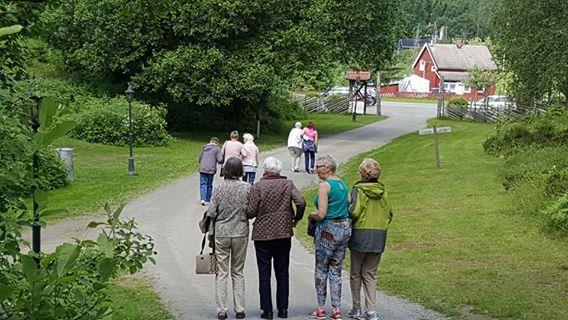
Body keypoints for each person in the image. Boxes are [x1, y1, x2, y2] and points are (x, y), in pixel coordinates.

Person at [247, 157, 306, 319]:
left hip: (262, 234)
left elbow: (251, 212)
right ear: (279, 170)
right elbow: (300, 202)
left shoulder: (258, 186)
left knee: (264, 273)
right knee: (282, 272)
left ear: (265, 170)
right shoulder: (287, 184)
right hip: (283, 232)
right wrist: (296, 218)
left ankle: (267, 310)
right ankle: (283, 309)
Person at [347, 158, 393, 320]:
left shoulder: (358, 189)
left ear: (363, 173)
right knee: (370, 273)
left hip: (361, 233)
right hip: (379, 234)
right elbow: (389, 212)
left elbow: (354, 211)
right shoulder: (383, 190)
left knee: (355, 273)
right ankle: (371, 310)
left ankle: (356, 307)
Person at [206, 157, 251, 320]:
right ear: (240, 171)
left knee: (222, 272)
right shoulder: (247, 187)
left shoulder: (219, 188)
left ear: (225, 170)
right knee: (238, 271)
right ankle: (240, 309)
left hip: (221, 233)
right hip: (240, 231)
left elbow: (211, 212)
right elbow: (250, 210)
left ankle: (222, 310)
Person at [307, 155, 351, 320]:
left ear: (328, 168)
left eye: (319, 166)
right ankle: (336, 309)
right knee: (336, 269)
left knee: (321, 268)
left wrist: (311, 215)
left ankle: (320, 308)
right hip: (344, 230)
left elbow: (322, 214)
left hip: (328, 231)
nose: (316, 169)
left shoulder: (324, 186)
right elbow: (348, 202)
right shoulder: (341, 183)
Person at [198, 137, 223, 205]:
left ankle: (202, 199)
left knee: (203, 184)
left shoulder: (204, 148)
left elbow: (200, 158)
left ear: (210, 141)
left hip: (202, 168)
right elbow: (220, 159)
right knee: (209, 184)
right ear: (216, 143)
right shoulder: (217, 149)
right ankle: (207, 200)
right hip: (211, 169)